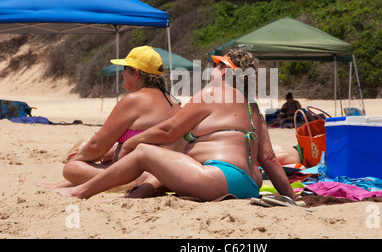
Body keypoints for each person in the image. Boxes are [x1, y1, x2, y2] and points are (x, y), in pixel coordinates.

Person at [54, 48, 295, 201]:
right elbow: (270, 160)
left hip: (220, 178)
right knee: (162, 170)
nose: (212, 68)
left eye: (217, 64)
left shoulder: (212, 93)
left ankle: (79, 192)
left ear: (226, 72)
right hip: (251, 185)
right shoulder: (253, 109)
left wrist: (134, 141)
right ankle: (130, 198)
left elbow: (168, 130)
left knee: (145, 153)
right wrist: (291, 198)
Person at [55, 46, 183, 189]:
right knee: (103, 164)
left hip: (139, 176)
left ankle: (119, 185)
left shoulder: (135, 100)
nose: (121, 73)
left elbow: (96, 146)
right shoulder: (172, 101)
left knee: (71, 169)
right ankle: (52, 187)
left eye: (124, 69)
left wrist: (78, 158)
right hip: (162, 174)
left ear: (136, 73)